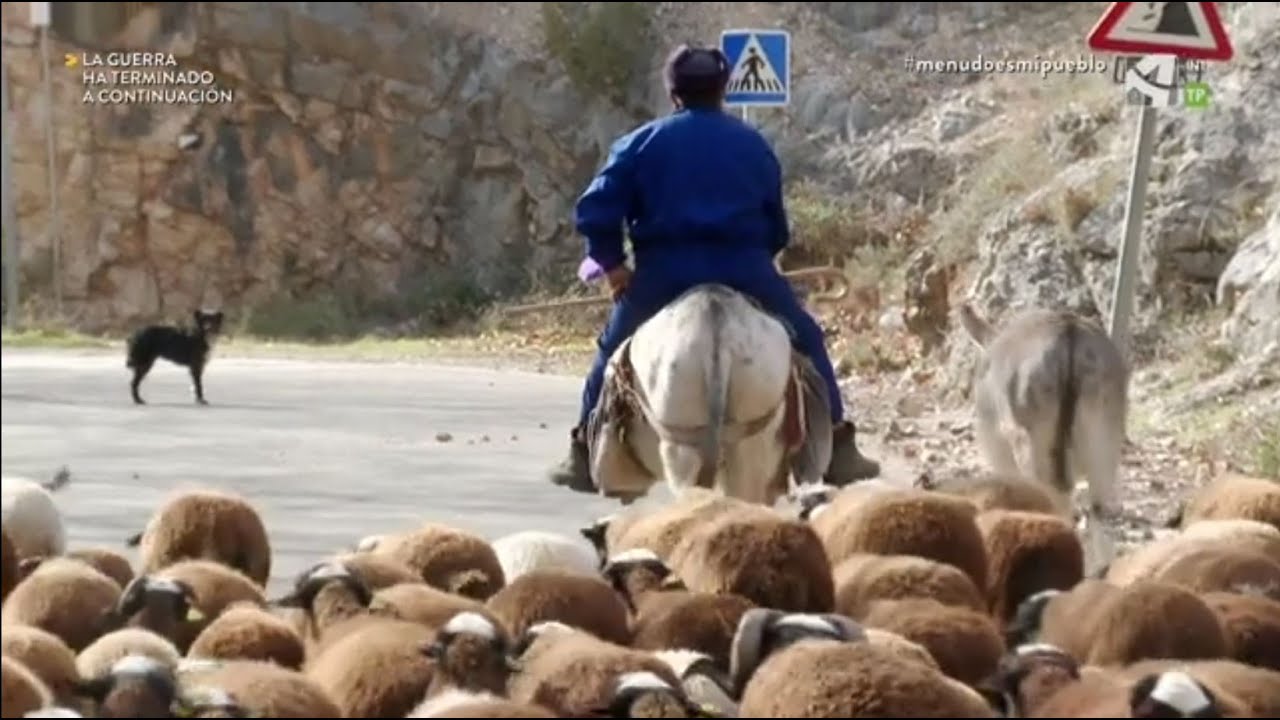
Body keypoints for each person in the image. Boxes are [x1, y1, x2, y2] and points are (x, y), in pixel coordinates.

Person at [546, 43, 881, 493]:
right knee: (808, 339)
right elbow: (775, 225)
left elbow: (595, 209)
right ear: (724, 90)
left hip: (663, 272)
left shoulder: (641, 142)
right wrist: (763, 258)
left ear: (673, 93)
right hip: (744, 267)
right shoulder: (753, 144)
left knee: (611, 351)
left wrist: (612, 265)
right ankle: (840, 447)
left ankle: (584, 452)